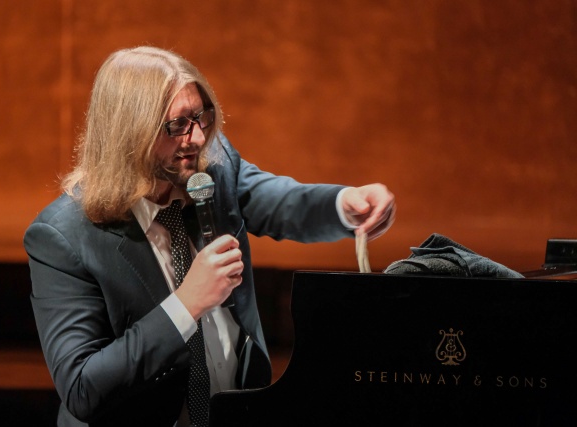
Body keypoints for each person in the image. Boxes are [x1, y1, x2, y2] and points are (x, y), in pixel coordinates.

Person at [24, 45, 396, 427]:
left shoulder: (208, 167)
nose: (198, 138)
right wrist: (187, 304)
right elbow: (82, 388)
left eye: (201, 117)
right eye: (177, 125)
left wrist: (345, 203)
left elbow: (277, 200)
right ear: (129, 134)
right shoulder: (62, 236)